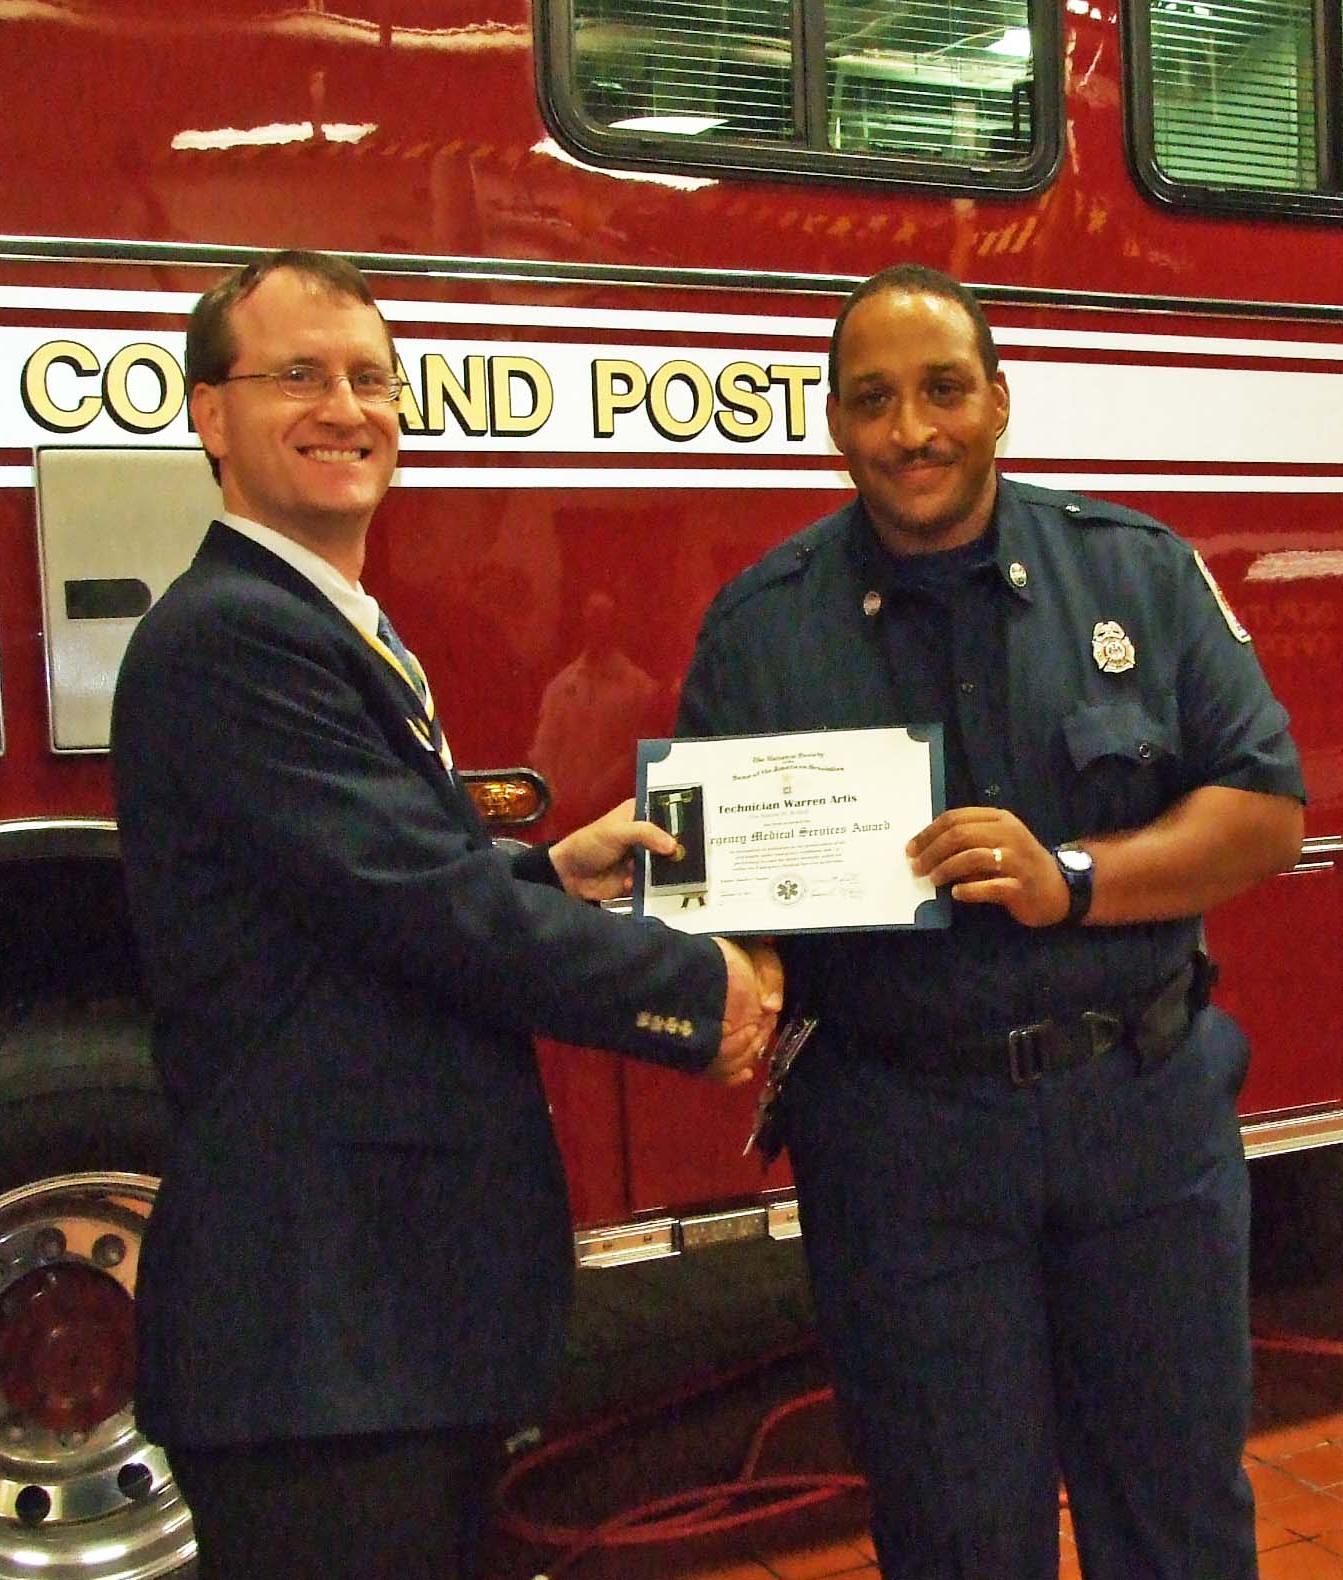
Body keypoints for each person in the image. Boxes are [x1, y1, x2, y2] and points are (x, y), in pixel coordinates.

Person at [110, 249, 781, 1580]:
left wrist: (553, 872)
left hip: (374, 1319)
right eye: (296, 374)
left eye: (370, 377)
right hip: (322, 1333)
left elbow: (361, 896)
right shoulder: (234, 634)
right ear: (206, 414)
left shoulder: (319, 616)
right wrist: (697, 993)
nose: (345, 406)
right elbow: (422, 906)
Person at [677, 263, 1304, 1580]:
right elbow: (723, 897)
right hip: (903, 1145)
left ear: (1001, 401)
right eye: (877, 399)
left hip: (1142, 1117)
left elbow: (1263, 813)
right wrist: (717, 962)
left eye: (944, 390)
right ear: (836, 425)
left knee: (1180, 1520)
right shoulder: (757, 633)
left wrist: (1068, 875)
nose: (915, 429)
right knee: (955, 1536)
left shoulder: (1136, 573)